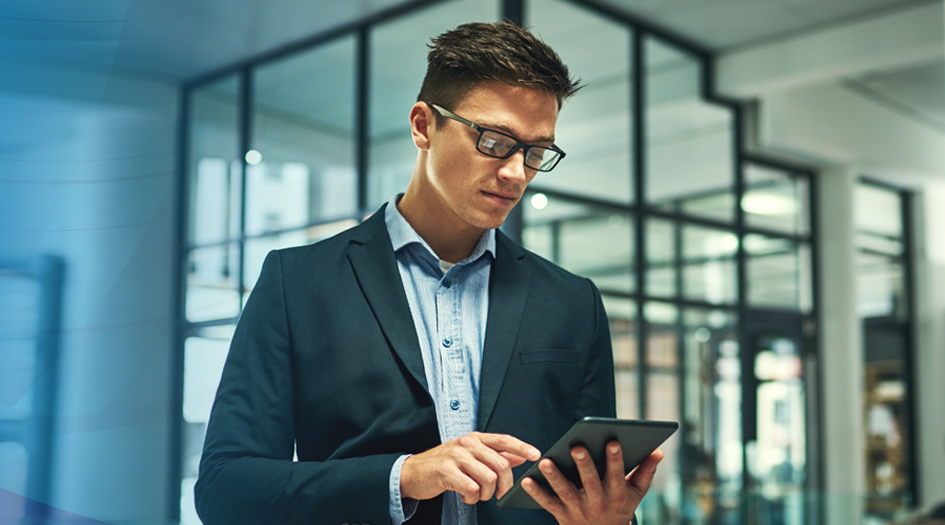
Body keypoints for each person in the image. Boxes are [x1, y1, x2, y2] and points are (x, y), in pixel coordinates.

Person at [193, 21, 662, 525]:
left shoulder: (573, 302)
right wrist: (405, 477)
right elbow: (226, 488)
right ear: (423, 125)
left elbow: (591, 489)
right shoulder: (299, 283)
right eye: (494, 140)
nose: (515, 173)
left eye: (535, 152)